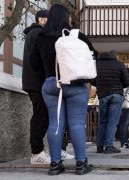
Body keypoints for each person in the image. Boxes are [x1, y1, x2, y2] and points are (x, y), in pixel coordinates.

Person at [30, 4, 97, 175]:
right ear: (65, 18)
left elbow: (34, 63)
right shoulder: (77, 36)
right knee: (76, 124)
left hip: (51, 84)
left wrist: (49, 75)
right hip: (75, 85)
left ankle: (55, 165)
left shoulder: (41, 36)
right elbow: (93, 56)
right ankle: (81, 164)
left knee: (55, 123)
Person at [22, 9, 73, 164]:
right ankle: (36, 153)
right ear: (42, 20)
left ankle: (55, 150)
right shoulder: (38, 34)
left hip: (38, 82)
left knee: (51, 117)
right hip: (37, 83)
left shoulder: (35, 34)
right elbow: (38, 62)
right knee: (41, 116)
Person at [92, 50, 129, 154]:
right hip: (116, 95)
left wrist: (100, 84)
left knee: (102, 121)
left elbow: (92, 80)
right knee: (112, 122)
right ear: (114, 56)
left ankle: (99, 147)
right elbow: (127, 82)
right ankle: (109, 146)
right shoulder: (119, 64)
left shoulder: (97, 65)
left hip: (103, 95)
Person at [119, 68, 129, 149]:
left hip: (128, 105)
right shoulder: (125, 81)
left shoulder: (127, 81)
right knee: (124, 124)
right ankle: (123, 143)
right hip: (126, 105)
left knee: (125, 125)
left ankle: (125, 141)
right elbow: (123, 93)